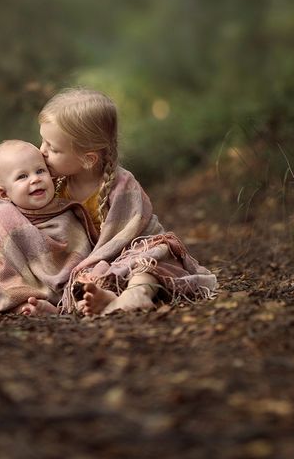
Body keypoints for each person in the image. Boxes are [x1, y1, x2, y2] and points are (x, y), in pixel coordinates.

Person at [38, 88, 217, 315]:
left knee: (151, 260)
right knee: (76, 278)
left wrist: (118, 260)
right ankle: (95, 297)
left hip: (127, 254)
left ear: (88, 159)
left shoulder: (122, 185)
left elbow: (134, 233)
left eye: (52, 148)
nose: (42, 151)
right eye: (42, 142)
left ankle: (137, 294)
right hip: (82, 263)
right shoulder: (52, 185)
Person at [0, 140, 96, 315]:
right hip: (19, 282)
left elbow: (82, 253)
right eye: (22, 176)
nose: (35, 179)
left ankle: (60, 303)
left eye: (40, 171)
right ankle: (26, 303)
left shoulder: (67, 214)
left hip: (64, 284)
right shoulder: (2, 218)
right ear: (3, 194)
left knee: (90, 278)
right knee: (2, 282)